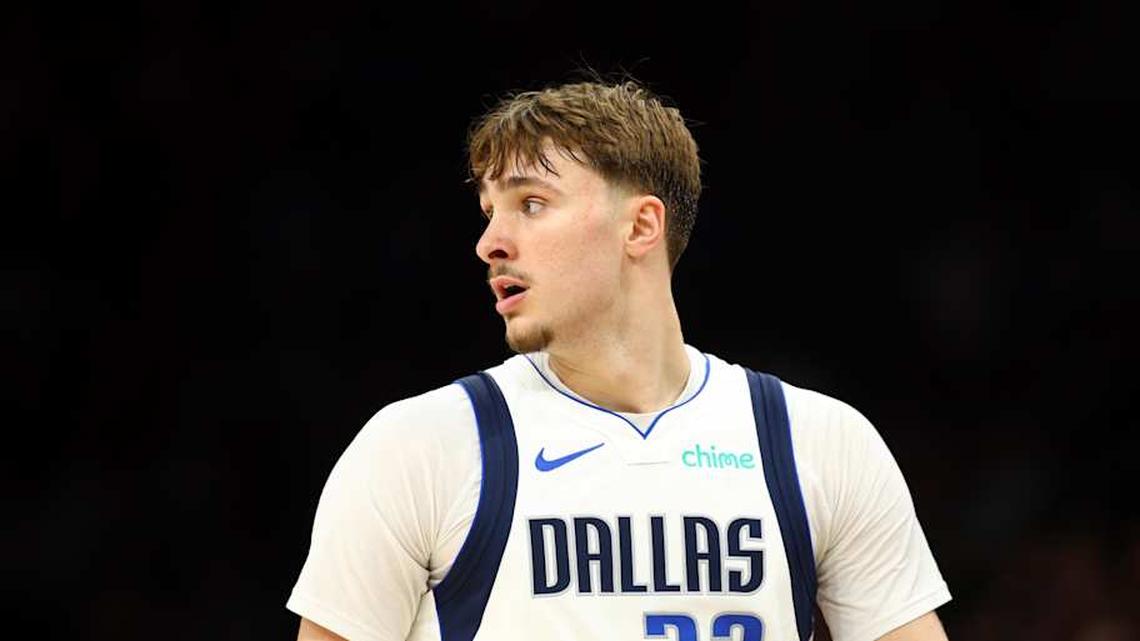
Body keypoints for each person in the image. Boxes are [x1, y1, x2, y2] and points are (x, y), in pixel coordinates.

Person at [287, 78, 952, 641]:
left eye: (531, 203)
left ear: (639, 226)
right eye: (489, 211)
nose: (490, 241)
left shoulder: (820, 443)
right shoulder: (421, 446)